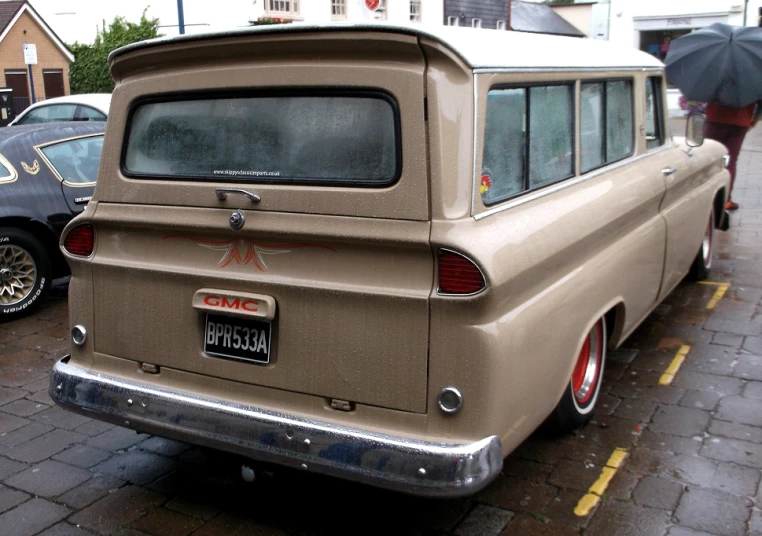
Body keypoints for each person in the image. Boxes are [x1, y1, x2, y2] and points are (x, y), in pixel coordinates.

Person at [704, 100, 761, 210]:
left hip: (715, 118)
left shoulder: (716, 81)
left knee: (711, 158)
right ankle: (726, 199)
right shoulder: (753, 83)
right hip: (740, 122)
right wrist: (753, 122)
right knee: (730, 160)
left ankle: (707, 197)